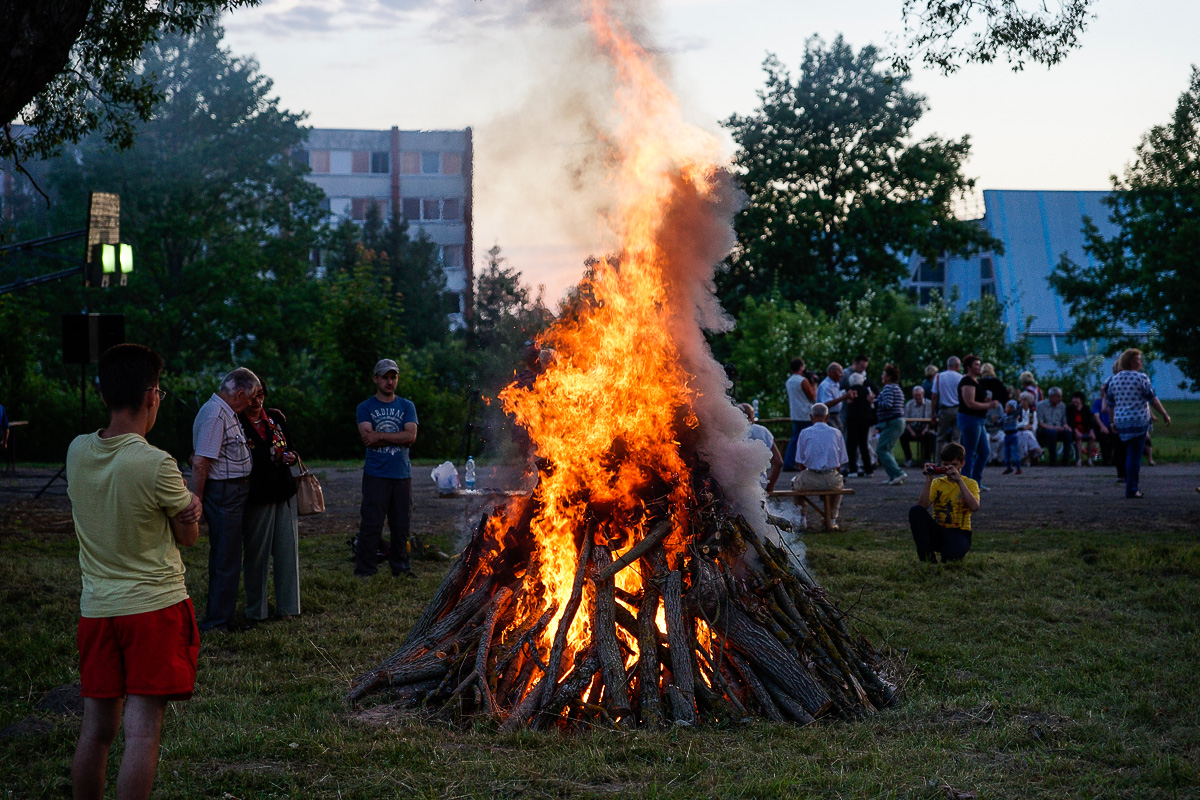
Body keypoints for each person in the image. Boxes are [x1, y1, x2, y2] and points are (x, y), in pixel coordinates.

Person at [66, 344, 203, 800]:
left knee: (96, 731)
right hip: (153, 609)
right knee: (142, 735)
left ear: (105, 396)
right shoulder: (156, 463)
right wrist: (190, 510)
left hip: (97, 610)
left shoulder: (77, 451)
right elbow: (188, 537)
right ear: (151, 396)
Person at [192, 367, 261, 633]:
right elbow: (200, 462)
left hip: (232, 492)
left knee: (230, 555)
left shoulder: (224, 412)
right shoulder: (215, 414)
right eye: (251, 397)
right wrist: (197, 500)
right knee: (226, 557)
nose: (251, 403)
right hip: (224, 493)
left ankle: (224, 617)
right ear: (240, 393)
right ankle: (216, 622)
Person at [238, 385, 300, 622]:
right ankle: (256, 611)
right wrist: (270, 459)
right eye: (252, 395)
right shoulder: (237, 422)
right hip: (257, 494)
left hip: (284, 492)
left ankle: (288, 608)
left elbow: (292, 448)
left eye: (261, 394)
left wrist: (290, 456)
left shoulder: (275, 418)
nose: (257, 400)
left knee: (287, 551)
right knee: (257, 555)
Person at [355, 358, 419, 577]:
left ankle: (401, 568)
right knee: (372, 524)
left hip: (402, 474)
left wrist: (380, 435)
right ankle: (365, 569)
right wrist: (397, 437)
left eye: (393, 377)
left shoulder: (406, 406)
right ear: (376, 378)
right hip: (376, 474)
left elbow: (411, 436)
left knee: (401, 525)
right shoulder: (365, 407)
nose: (390, 382)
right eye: (385, 377)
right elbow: (368, 440)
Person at [1105, 348, 1171, 498]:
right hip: (1138, 421)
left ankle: (1128, 483)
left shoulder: (1113, 380)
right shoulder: (1141, 378)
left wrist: (1112, 421)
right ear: (1132, 362)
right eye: (1139, 359)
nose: (1141, 362)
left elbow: (1110, 403)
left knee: (1128, 454)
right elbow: (1152, 398)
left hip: (1122, 422)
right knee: (1134, 456)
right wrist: (1164, 413)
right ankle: (1132, 488)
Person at [909, 443, 980, 563]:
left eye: (954, 465)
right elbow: (922, 506)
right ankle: (928, 559)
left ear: (962, 464)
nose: (949, 468)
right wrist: (929, 479)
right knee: (915, 511)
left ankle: (950, 553)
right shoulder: (937, 483)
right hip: (939, 530)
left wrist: (959, 481)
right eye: (946, 465)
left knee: (949, 559)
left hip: (960, 532)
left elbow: (974, 507)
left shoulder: (970, 484)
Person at [792, 403, 849, 530]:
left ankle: (802, 518)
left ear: (811, 417)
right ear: (827, 417)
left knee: (795, 484)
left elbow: (800, 463)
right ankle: (832, 519)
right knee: (838, 483)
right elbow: (840, 463)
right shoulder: (837, 433)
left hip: (810, 477)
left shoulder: (804, 433)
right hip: (831, 478)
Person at [957, 355, 999, 485]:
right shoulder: (967, 382)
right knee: (969, 452)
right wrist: (989, 405)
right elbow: (970, 403)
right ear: (968, 367)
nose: (980, 367)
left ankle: (975, 481)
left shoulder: (976, 381)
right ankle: (965, 483)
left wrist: (986, 401)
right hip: (970, 419)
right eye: (976, 365)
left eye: (980, 364)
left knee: (984, 451)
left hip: (979, 419)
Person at [875, 364, 907, 485]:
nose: (882, 376)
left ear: (888, 377)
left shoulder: (888, 388)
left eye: (883, 374)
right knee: (889, 449)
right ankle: (893, 476)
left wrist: (875, 402)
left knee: (881, 449)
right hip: (897, 421)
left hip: (892, 422)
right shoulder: (897, 388)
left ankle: (898, 473)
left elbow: (887, 404)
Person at [781, 357, 816, 471]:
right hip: (806, 414)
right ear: (801, 367)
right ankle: (807, 462)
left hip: (795, 413)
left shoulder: (789, 381)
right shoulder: (802, 381)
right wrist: (814, 384)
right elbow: (812, 397)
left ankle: (789, 462)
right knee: (808, 439)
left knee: (795, 439)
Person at [740, 402, 782, 492]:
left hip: (735, 485)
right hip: (759, 484)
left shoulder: (729, 433)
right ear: (752, 416)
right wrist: (770, 487)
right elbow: (778, 462)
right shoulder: (763, 431)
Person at [844, 371, 876, 477]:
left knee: (851, 445)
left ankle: (853, 469)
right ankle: (868, 469)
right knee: (863, 444)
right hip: (865, 419)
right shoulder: (867, 390)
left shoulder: (849, 390)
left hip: (852, 418)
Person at [931, 356, 962, 461]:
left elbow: (934, 396)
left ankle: (938, 462)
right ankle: (955, 462)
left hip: (944, 409)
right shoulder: (960, 377)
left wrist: (933, 413)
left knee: (940, 438)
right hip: (957, 409)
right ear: (957, 366)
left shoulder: (939, 376)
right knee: (956, 438)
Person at [1036, 388, 1072, 466]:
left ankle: (1066, 459)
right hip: (1046, 429)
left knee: (1068, 432)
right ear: (1051, 397)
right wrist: (1054, 428)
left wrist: (1066, 426)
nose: (1060, 399)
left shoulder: (1062, 405)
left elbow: (1064, 421)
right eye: (1058, 397)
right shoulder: (1041, 405)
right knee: (1052, 433)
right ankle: (1053, 460)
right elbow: (1040, 423)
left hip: (1059, 427)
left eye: (1060, 397)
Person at [1066, 391, 1103, 466]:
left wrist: (1091, 431)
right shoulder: (1069, 408)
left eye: (1076, 398)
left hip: (1085, 429)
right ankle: (1079, 459)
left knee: (1092, 437)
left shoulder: (1086, 408)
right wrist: (1076, 430)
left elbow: (1090, 421)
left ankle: (1089, 458)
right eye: (1073, 398)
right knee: (1078, 437)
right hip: (1074, 429)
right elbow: (1070, 421)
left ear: (1081, 400)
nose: (1074, 400)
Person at [901, 385, 934, 467]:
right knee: (903, 435)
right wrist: (911, 431)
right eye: (916, 395)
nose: (918, 397)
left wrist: (925, 429)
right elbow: (906, 420)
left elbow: (930, 420)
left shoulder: (929, 404)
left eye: (919, 395)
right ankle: (909, 459)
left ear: (923, 394)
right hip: (913, 428)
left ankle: (927, 459)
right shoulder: (909, 404)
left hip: (924, 428)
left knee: (930, 436)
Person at [838, 354, 870, 432]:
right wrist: (846, 396)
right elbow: (837, 389)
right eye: (862, 366)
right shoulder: (845, 374)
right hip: (845, 410)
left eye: (865, 367)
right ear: (855, 363)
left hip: (857, 411)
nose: (863, 369)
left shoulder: (863, 375)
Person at [816, 363, 848, 431]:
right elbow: (826, 403)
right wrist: (843, 397)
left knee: (839, 432)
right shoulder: (826, 386)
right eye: (839, 372)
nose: (842, 375)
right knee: (833, 433)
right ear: (832, 373)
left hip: (836, 415)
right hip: (828, 416)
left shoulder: (836, 384)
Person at [1015, 391, 1043, 464]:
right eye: (1021, 400)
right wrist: (1023, 426)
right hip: (1018, 432)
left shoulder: (1032, 413)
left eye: (1024, 400)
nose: (1022, 402)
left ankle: (1027, 458)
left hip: (1030, 432)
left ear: (1028, 401)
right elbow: (1016, 424)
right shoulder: (1017, 412)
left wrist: (1029, 427)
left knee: (1027, 434)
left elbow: (1035, 425)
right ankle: (1037, 450)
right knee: (1026, 434)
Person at [1001, 400, 1022, 475]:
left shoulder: (1014, 415)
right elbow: (999, 424)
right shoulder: (1004, 416)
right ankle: (1008, 467)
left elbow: (1018, 410)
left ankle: (1018, 467)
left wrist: (1019, 402)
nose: (1007, 409)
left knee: (1014, 452)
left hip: (1013, 435)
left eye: (1009, 407)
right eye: (1006, 407)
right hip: (1007, 436)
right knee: (1006, 453)